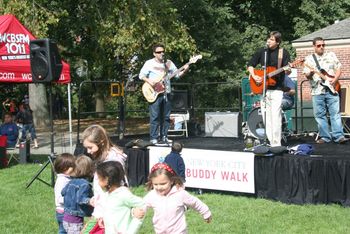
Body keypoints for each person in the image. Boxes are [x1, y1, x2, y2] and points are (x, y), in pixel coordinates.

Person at [139, 43, 189, 145]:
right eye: (159, 52)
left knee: (166, 117)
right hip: (154, 92)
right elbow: (141, 75)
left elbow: (177, 75)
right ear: (154, 53)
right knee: (155, 116)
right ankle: (154, 138)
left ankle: (164, 136)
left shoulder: (169, 63)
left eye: (163, 51)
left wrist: (185, 69)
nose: (161, 53)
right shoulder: (149, 63)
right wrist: (150, 81)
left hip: (167, 92)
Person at [247, 31, 291, 146]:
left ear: (277, 42)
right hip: (263, 90)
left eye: (271, 40)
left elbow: (287, 69)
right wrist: (254, 75)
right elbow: (250, 64)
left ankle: (277, 143)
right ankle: (270, 141)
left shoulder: (283, 53)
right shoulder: (263, 52)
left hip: (277, 89)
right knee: (266, 117)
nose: (268, 41)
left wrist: (288, 69)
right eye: (268, 39)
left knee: (275, 116)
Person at [81, 124, 128, 231]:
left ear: (101, 141)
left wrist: (102, 213)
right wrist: (96, 198)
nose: (88, 151)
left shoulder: (113, 160)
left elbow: (115, 189)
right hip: (102, 208)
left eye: (90, 147)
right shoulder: (103, 156)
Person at [303, 37, 348, 144]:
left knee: (335, 114)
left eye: (323, 45)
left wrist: (334, 80)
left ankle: (339, 136)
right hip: (317, 91)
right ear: (314, 46)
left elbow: (338, 69)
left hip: (332, 89)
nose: (321, 47)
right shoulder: (308, 59)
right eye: (319, 45)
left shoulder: (331, 55)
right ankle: (325, 137)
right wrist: (311, 73)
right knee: (320, 115)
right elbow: (307, 76)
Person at [143, 163, 212, 233]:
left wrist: (206, 212)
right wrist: (136, 212)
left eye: (163, 184)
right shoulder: (152, 195)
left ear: (171, 181)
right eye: (155, 184)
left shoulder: (180, 194)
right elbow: (141, 205)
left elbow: (194, 202)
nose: (159, 187)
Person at [96, 161, 144, 234]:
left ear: (107, 179)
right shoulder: (107, 194)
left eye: (99, 178)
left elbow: (142, 204)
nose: (98, 182)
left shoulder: (123, 194)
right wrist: (102, 217)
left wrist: (131, 230)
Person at [62, 155, 94, 234]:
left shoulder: (71, 181)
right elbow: (80, 199)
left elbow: (63, 192)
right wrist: (90, 201)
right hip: (75, 221)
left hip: (66, 218)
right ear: (89, 170)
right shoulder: (84, 184)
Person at [54, 153, 76, 234]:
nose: (74, 168)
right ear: (64, 168)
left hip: (65, 211)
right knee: (64, 231)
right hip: (63, 212)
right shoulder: (62, 181)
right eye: (72, 166)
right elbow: (59, 199)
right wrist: (74, 199)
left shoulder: (66, 179)